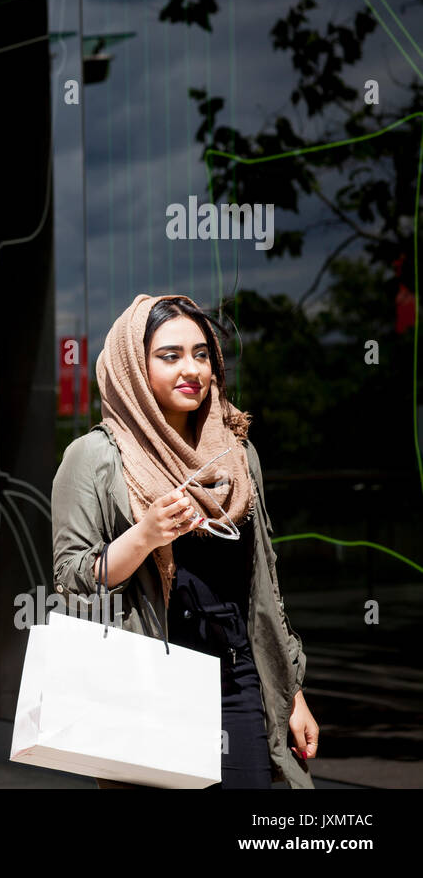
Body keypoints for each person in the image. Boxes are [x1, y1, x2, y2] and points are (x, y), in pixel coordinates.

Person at [51, 293, 318, 788]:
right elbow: (72, 579)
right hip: (148, 679)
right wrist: (146, 535)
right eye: (169, 355)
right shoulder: (93, 457)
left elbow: (264, 590)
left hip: (237, 678)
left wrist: (291, 692)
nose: (191, 368)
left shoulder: (237, 456)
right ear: (134, 364)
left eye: (201, 354)